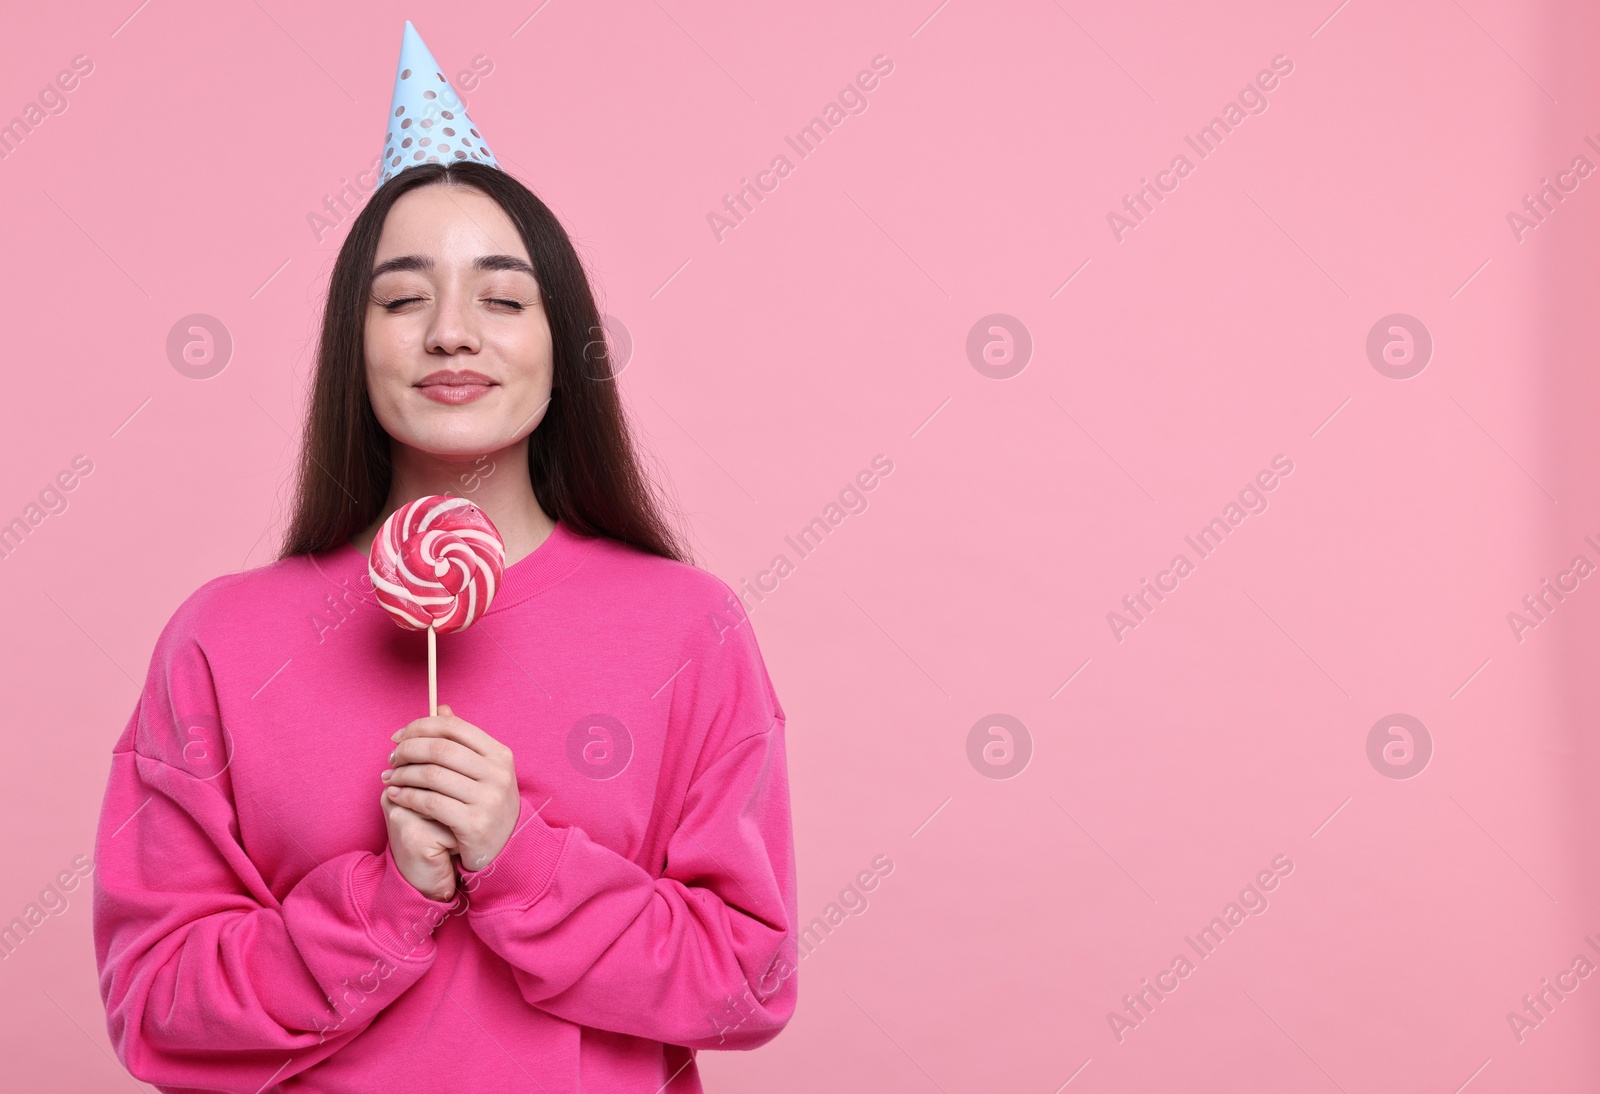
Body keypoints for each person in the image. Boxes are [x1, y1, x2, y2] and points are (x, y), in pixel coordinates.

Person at [90, 28, 797, 1091]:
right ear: (352, 344)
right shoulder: (223, 638)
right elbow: (156, 1003)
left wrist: (522, 855)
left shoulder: (687, 627)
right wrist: (390, 896)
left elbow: (748, 980)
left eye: (503, 299)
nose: (452, 333)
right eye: (404, 297)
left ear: (560, 347)